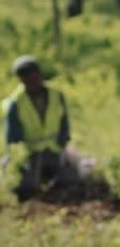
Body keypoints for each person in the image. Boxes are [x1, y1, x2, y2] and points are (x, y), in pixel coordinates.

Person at [2, 55, 82, 201]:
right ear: (22, 81)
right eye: (28, 80)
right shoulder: (15, 103)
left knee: (71, 179)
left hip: (54, 149)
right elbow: (13, 140)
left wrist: (63, 145)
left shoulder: (56, 96)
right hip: (30, 154)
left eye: (35, 77)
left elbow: (64, 124)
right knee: (26, 186)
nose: (33, 82)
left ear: (40, 75)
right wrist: (19, 161)